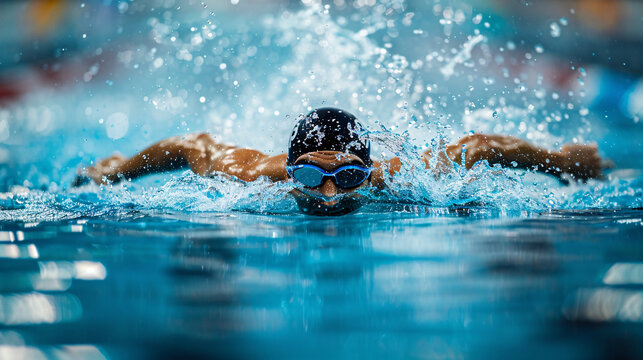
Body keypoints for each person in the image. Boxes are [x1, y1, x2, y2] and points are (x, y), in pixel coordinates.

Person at [74, 107, 605, 215]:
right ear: (289, 168)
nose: (329, 194)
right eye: (310, 175)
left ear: (367, 171)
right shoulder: (254, 172)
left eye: (347, 177)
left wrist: (561, 161)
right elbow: (191, 144)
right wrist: (117, 171)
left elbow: (482, 145)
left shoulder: (395, 177)